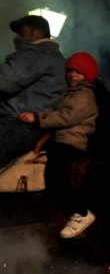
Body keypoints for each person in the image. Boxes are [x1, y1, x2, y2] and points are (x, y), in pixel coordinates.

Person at [18, 52, 99, 239]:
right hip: (61, 142)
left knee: (58, 179)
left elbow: (66, 117)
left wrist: (37, 117)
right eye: (70, 71)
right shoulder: (69, 93)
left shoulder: (84, 95)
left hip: (71, 144)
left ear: (87, 75)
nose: (72, 75)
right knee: (51, 180)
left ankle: (82, 213)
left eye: (78, 72)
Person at [0, 14, 66, 168]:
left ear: (37, 33)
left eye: (21, 33)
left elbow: (4, 79)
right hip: (32, 128)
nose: (16, 38)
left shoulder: (38, 53)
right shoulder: (56, 57)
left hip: (16, 125)